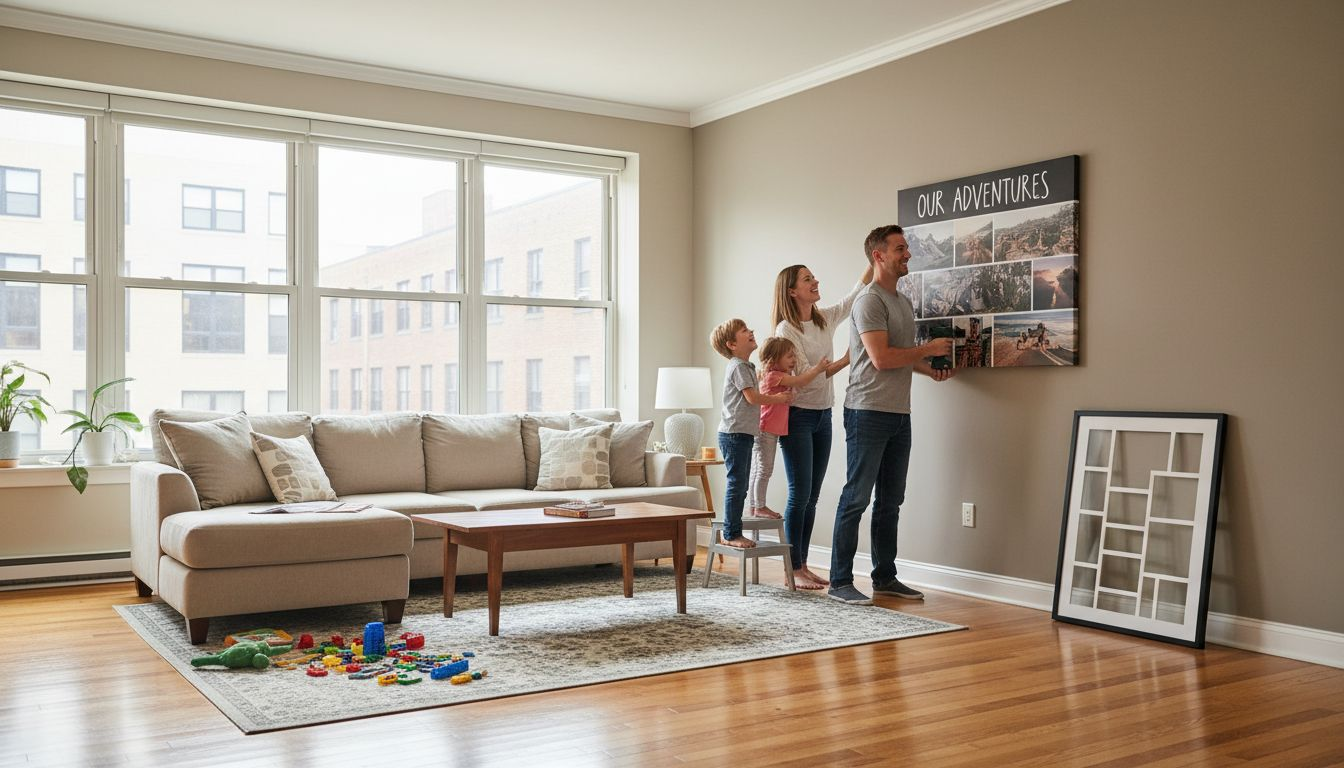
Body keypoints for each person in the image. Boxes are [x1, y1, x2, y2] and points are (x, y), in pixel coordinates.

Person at [827, 225, 956, 605]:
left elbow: (895, 355)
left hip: (899, 412)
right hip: (867, 411)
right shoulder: (868, 301)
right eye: (900, 249)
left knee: (890, 501)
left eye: (907, 248)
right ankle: (839, 582)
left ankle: (885, 577)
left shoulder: (902, 303)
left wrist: (929, 368)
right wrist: (926, 348)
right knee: (856, 498)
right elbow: (881, 360)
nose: (908, 255)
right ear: (878, 256)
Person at [770, 262, 873, 589]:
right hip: (798, 415)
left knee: (812, 496)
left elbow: (854, 294)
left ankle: (801, 564)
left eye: (814, 277)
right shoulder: (786, 331)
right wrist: (839, 362)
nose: (816, 281)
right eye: (808, 279)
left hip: (822, 414)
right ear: (792, 291)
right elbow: (803, 377)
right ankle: (792, 568)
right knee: (800, 495)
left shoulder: (823, 318)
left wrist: (875, 260)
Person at [710, 318, 792, 550]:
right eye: (744, 331)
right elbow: (752, 398)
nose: (751, 331)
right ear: (732, 344)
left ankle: (735, 527)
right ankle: (731, 532)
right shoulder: (738, 366)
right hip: (735, 433)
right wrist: (776, 399)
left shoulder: (746, 367)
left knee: (741, 482)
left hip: (742, 433)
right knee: (737, 483)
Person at [746, 336, 828, 528]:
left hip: (772, 430)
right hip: (766, 429)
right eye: (790, 356)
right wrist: (818, 368)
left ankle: (754, 505)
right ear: (774, 360)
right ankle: (758, 506)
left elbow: (793, 391)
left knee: (760, 468)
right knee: (764, 469)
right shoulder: (774, 375)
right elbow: (801, 381)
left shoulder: (778, 377)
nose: (794, 360)